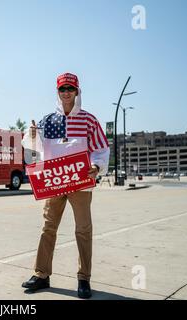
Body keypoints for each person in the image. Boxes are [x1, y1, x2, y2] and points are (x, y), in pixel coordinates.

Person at [21, 72, 110, 299]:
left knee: (83, 230)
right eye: (62, 89)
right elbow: (34, 148)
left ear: (78, 91)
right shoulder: (48, 120)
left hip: (80, 182)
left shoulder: (88, 120)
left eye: (70, 88)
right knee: (48, 228)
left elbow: (101, 149)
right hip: (55, 182)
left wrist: (97, 167)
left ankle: (84, 278)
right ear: (57, 92)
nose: (66, 93)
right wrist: (31, 135)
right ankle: (42, 275)